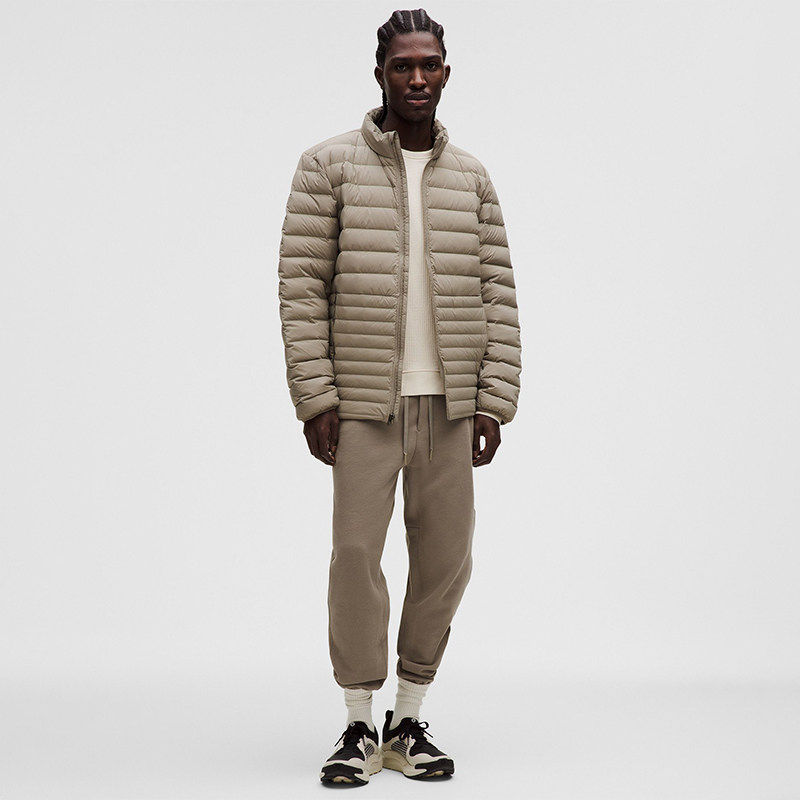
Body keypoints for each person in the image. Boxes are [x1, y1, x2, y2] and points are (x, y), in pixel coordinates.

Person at [277, 8, 522, 786]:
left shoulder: (471, 177)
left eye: (430, 64)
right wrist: (316, 397)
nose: (418, 77)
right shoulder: (328, 167)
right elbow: (301, 290)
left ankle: (407, 719)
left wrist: (493, 399)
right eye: (403, 65)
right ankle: (358, 724)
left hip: (450, 403)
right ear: (380, 73)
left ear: (446, 72)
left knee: (446, 559)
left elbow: (498, 291)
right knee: (356, 557)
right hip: (363, 403)